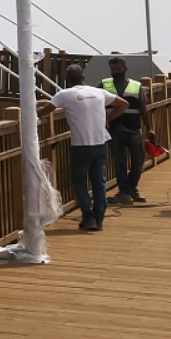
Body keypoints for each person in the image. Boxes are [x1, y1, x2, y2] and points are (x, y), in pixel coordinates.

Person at [49, 64, 125, 231]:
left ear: (67, 80)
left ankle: (88, 216)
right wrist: (108, 119)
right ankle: (99, 219)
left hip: (81, 144)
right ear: (83, 78)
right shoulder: (98, 92)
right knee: (99, 182)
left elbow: (45, 110)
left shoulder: (65, 94)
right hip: (101, 142)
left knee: (78, 180)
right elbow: (123, 104)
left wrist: (27, 115)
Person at [103, 57, 147, 204]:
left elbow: (143, 108)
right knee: (120, 162)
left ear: (125, 69)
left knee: (139, 159)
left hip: (133, 128)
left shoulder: (137, 86)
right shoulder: (103, 84)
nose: (115, 71)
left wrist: (150, 127)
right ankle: (124, 191)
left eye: (118, 68)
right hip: (114, 129)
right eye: (113, 69)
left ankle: (131, 188)